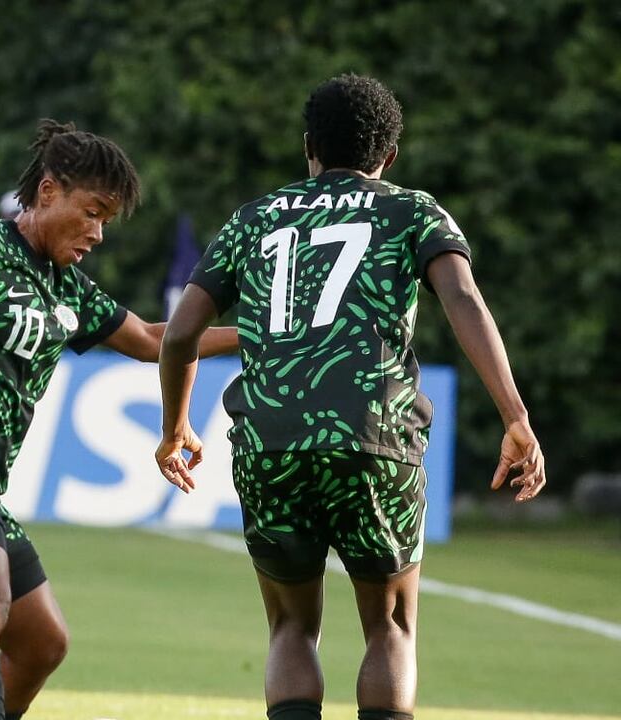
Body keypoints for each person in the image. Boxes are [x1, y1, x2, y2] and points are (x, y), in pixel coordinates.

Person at [155, 74, 546, 720]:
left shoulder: (254, 218)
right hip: (376, 435)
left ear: (307, 145)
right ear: (388, 157)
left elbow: (179, 338)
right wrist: (516, 416)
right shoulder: (413, 210)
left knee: (289, 629)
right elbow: (463, 299)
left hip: (269, 439)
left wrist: (174, 430)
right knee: (388, 627)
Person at [0, 119, 238, 720]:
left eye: (106, 221)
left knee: (42, 643)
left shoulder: (72, 288)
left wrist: (257, 335)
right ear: (46, 192)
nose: (96, 233)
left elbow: (149, 338)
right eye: (90, 212)